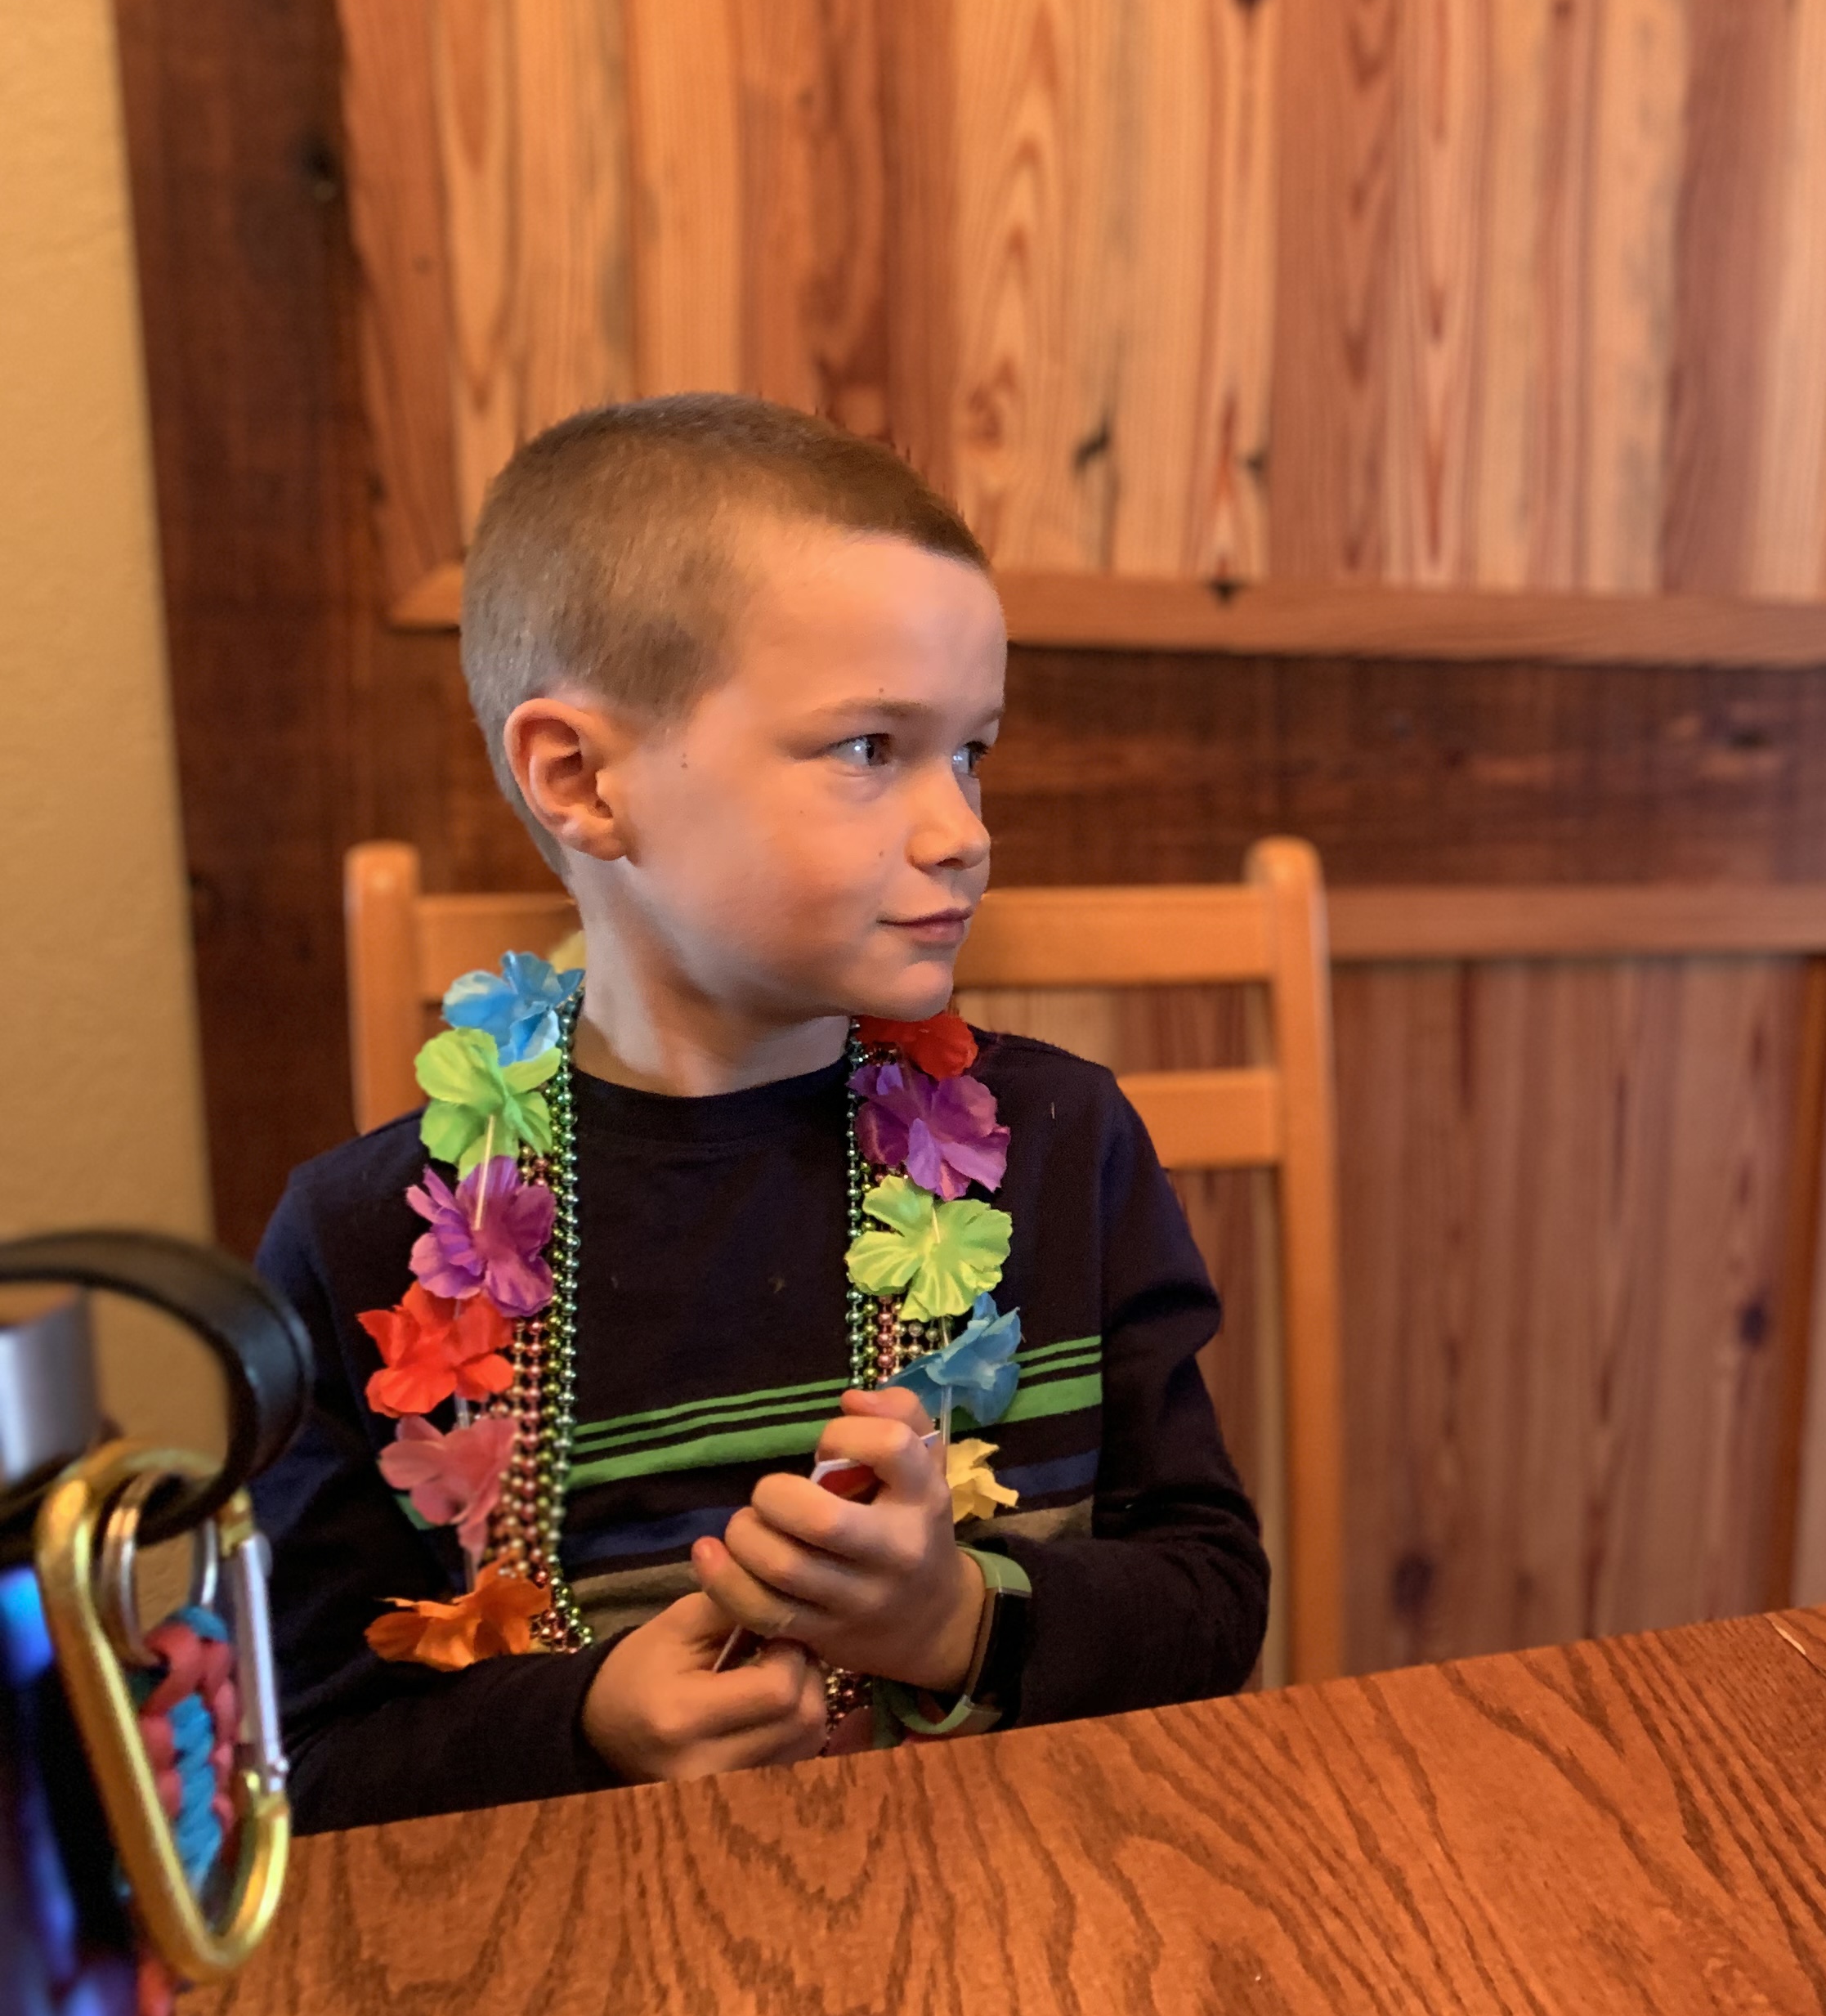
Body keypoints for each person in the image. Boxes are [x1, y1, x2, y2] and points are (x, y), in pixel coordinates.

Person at [253, 394, 1268, 1830]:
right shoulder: (363, 1244)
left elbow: (1214, 1603)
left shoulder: (1062, 1146)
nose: (963, 830)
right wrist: (589, 1726)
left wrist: (960, 1624)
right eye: (870, 748)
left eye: (971, 750)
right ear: (581, 778)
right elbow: (306, 1759)